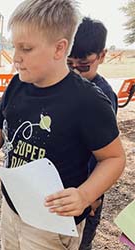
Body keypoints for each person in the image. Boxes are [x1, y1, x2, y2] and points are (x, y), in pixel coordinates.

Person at [0, 1, 126, 249]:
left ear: (59, 48)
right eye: (15, 47)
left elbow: (114, 158)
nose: (16, 58)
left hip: (53, 225)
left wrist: (85, 195)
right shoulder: (16, 86)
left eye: (27, 49)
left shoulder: (88, 100)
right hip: (12, 212)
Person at [67, 17, 118, 250]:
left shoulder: (103, 96)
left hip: (89, 187)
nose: (76, 72)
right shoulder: (64, 85)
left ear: (102, 56)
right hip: (64, 182)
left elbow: (104, 155)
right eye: (70, 64)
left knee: (80, 242)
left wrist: (94, 193)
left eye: (84, 66)